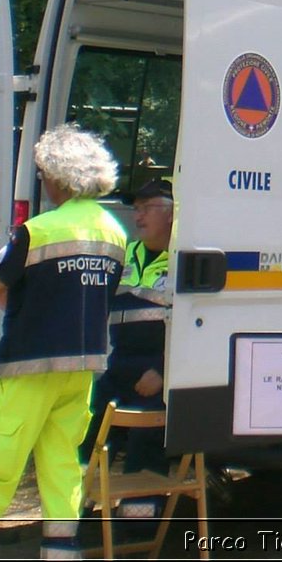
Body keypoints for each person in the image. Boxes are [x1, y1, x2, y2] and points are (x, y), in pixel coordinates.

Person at [0, 125, 127, 562]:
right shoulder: (115, 233)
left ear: (58, 175)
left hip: (29, 363)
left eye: (42, 174)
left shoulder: (36, 231)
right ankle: (62, 551)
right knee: (61, 461)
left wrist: (11, 293)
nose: (42, 182)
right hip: (83, 367)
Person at [80, 177, 173, 493]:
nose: (138, 216)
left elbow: (201, 328)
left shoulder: (185, 260)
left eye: (148, 207)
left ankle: (137, 531)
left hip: (156, 377)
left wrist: (164, 371)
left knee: (144, 450)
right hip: (116, 369)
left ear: (174, 213)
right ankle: (72, 519)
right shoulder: (121, 255)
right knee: (81, 439)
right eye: (136, 208)